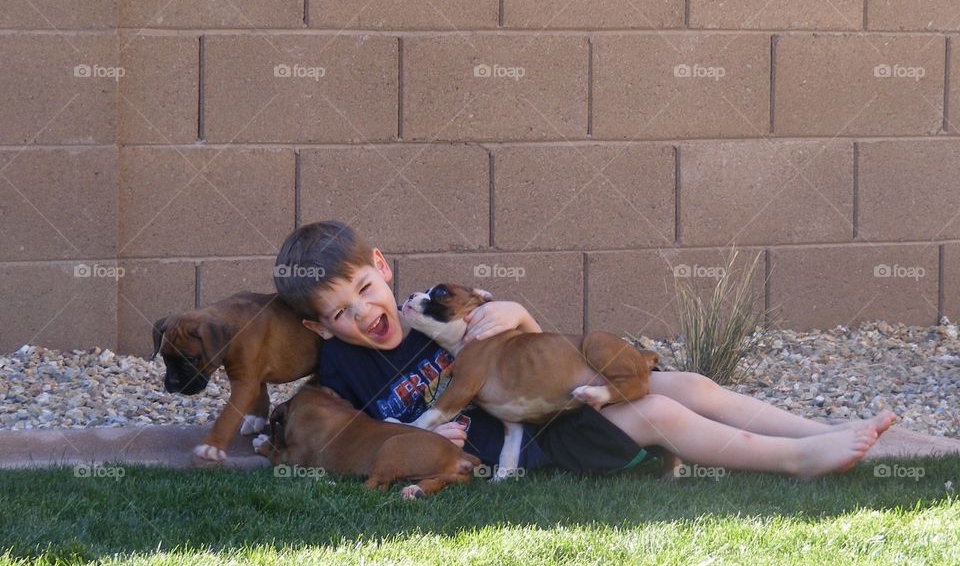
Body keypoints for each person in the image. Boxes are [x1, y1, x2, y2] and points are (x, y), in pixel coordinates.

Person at [274, 221, 894, 480]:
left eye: (365, 289)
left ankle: (829, 431)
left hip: (559, 396)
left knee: (688, 385)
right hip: (533, 444)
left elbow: (536, 357)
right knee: (660, 413)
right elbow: (351, 437)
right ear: (320, 329)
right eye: (341, 313)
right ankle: (796, 459)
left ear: (381, 267)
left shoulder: (435, 313)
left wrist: (519, 313)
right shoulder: (342, 371)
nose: (364, 314)